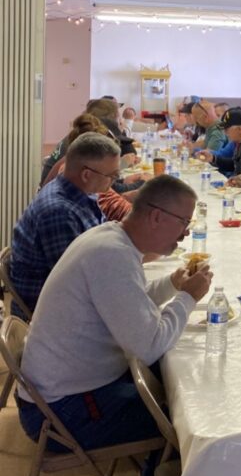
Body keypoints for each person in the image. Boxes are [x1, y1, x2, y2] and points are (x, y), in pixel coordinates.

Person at [17, 176, 211, 454]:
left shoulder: (111, 236)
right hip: (58, 413)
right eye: (184, 223)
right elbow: (149, 346)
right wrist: (188, 297)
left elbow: (131, 302)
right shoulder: (111, 255)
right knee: (190, 425)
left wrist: (173, 284)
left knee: (178, 384)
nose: (185, 234)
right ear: (156, 216)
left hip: (60, 392)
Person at [10, 133, 122, 316]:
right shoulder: (59, 212)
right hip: (53, 315)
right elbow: (78, 282)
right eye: (112, 176)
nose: (113, 182)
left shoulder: (81, 192)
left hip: (68, 299)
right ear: (86, 174)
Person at [197, 106, 241, 177]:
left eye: (227, 129)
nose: (225, 133)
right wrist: (213, 158)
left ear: (239, 130)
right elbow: (235, 165)